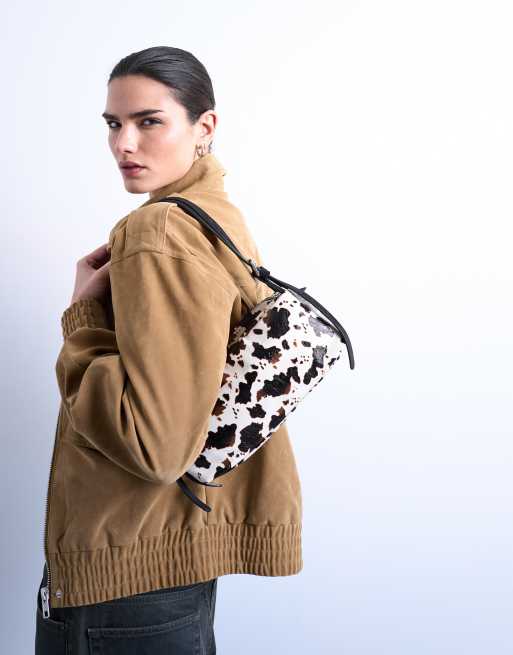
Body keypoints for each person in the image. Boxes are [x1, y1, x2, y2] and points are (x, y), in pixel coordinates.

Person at [35, 46, 303, 655]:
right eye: (113, 123)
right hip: (171, 554)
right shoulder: (216, 217)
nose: (124, 144)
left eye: (148, 121)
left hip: (125, 566)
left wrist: (82, 319)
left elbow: (154, 446)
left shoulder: (157, 230)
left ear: (204, 126)